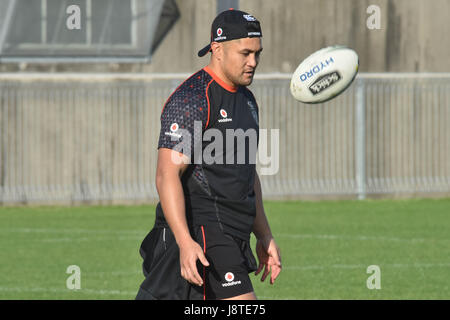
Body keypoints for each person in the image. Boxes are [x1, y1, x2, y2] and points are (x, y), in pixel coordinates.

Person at [136, 9, 281, 300]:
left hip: (233, 233)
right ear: (217, 49)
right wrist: (185, 241)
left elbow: (246, 173)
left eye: (257, 54)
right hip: (202, 232)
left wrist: (263, 234)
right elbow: (167, 174)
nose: (253, 62)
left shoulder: (247, 100)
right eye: (245, 53)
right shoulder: (192, 98)